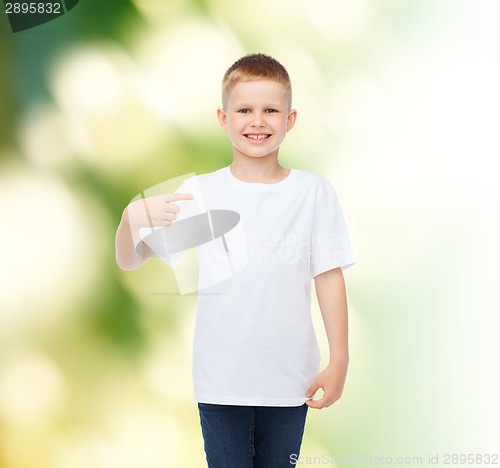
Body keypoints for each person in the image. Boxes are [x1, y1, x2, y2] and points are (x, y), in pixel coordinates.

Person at [115, 53, 355, 468]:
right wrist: (128, 220)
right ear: (223, 118)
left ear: (290, 118)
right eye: (244, 110)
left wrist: (340, 359)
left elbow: (328, 276)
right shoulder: (201, 194)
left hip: (289, 381)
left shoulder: (313, 192)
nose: (257, 121)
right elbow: (131, 260)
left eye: (270, 110)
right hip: (221, 382)